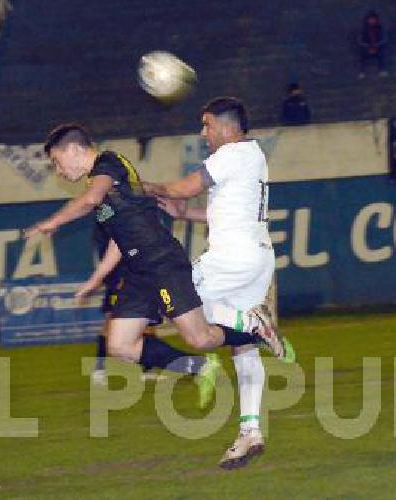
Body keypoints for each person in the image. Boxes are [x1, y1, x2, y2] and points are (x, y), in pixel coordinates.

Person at [23, 123, 286, 409]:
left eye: (56, 162)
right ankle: (197, 367)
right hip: (138, 270)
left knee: (200, 337)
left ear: (73, 149)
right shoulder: (99, 185)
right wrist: (95, 279)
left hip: (161, 262)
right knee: (119, 346)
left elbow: (91, 199)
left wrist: (53, 222)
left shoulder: (109, 163)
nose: (58, 171)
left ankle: (255, 329)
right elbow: (118, 242)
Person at [145, 96, 293, 470]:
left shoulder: (231, 153)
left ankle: (252, 323)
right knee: (242, 349)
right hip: (255, 256)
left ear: (226, 127)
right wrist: (184, 214)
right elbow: (224, 213)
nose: (203, 132)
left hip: (232, 257)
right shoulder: (252, 156)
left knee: (177, 300)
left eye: (207, 124)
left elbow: (184, 186)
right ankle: (250, 430)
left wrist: (144, 187)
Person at [89, 224, 164, 386]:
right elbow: (110, 252)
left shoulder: (134, 220)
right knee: (110, 324)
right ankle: (99, 369)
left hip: (139, 278)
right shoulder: (110, 222)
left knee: (147, 324)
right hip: (120, 279)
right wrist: (115, 279)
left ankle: (147, 369)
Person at [357, 10, 388, 78]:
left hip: (378, 47)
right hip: (367, 48)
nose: (372, 21)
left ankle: (382, 70)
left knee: (383, 53)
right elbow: (360, 40)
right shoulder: (364, 29)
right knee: (361, 55)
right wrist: (368, 47)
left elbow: (384, 39)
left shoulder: (380, 28)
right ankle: (362, 72)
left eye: (373, 19)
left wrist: (376, 46)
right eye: (370, 19)